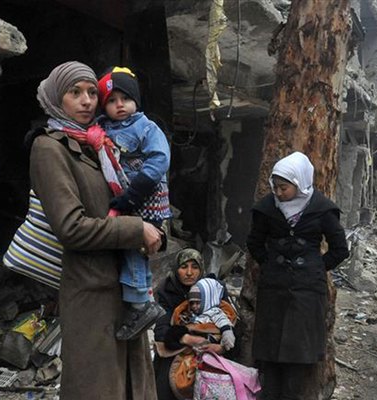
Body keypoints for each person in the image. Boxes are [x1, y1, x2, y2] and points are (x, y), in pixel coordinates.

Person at [29, 61, 161, 399]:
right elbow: (71, 227)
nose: (87, 100)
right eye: (75, 93)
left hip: (124, 289)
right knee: (98, 389)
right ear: (57, 98)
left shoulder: (99, 143)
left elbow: (126, 202)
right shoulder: (50, 148)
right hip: (91, 292)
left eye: (91, 92)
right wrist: (135, 230)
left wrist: (154, 231)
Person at [246, 151, 349, 400]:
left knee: (300, 354)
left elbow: (340, 249)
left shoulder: (322, 209)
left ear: (300, 183)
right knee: (270, 354)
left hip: (307, 293)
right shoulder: (266, 208)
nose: (279, 193)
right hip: (273, 289)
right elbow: (255, 242)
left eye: (284, 187)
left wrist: (314, 266)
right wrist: (272, 264)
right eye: (276, 187)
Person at [96, 66, 172, 340]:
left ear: (136, 101)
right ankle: (140, 299)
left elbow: (160, 160)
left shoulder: (145, 127)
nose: (119, 105)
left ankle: (140, 303)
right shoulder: (102, 128)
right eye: (112, 100)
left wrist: (135, 192)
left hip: (145, 198)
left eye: (124, 99)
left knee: (134, 248)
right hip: (127, 198)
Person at [153, 249, 230, 400]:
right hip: (178, 349)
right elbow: (161, 331)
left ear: (201, 270)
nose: (189, 272)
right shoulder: (167, 291)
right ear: (176, 270)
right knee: (166, 380)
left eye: (194, 267)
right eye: (184, 267)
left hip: (212, 349)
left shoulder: (214, 289)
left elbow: (230, 324)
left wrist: (219, 347)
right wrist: (187, 339)